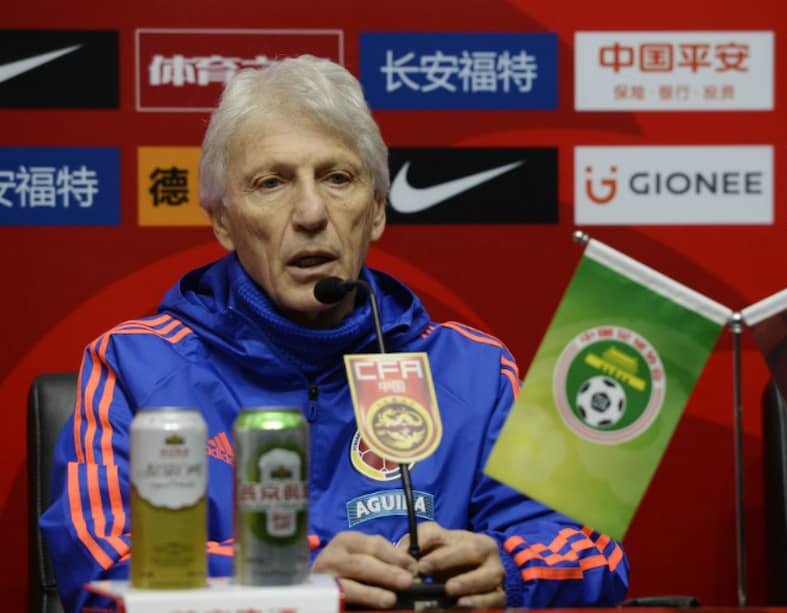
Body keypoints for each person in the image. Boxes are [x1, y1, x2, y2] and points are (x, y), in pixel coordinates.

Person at [40, 54, 629, 612]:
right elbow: (103, 572)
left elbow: (591, 551)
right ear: (222, 221)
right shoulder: (135, 365)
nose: (311, 212)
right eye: (271, 182)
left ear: (375, 209)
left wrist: (510, 566)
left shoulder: (473, 370)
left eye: (337, 177)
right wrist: (294, 577)